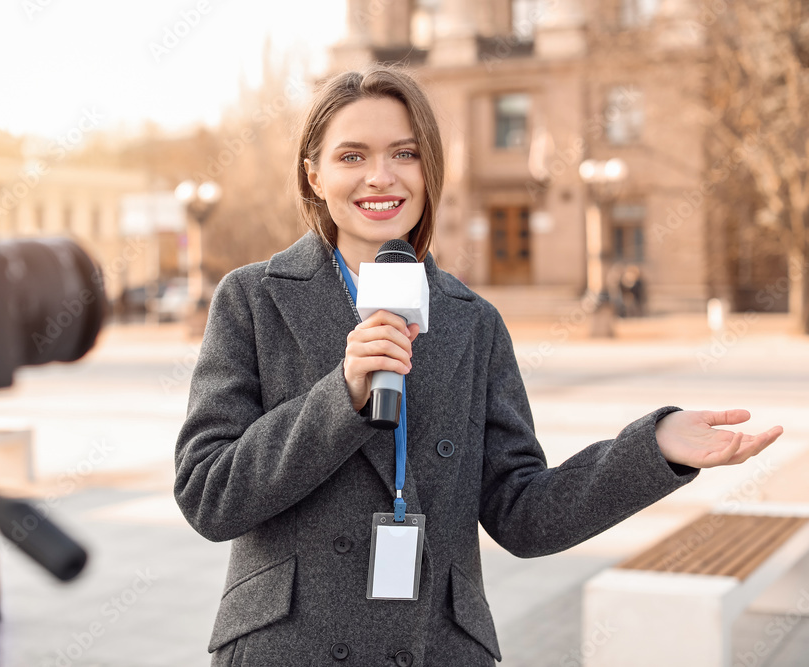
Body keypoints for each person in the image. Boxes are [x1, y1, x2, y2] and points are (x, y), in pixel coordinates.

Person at [174, 65, 783, 667]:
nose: (380, 177)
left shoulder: (474, 321)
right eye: (352, 156)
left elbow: (523, 515)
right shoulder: (252, 298)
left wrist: (654, 449)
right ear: (314, 175)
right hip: (287, 648)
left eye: (404, 154)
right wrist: (341, 396)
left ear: (430, 169)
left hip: (435, 647)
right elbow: (209, 495)